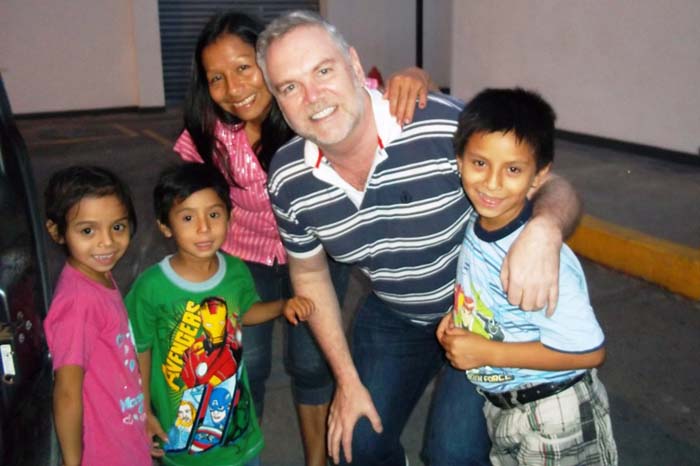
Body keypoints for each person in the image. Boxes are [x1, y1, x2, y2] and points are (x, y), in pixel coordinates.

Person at [257, 10, 582, 466]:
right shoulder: (288, 177)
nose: (313, 97)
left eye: (323, 71)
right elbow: (309, 273)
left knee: (453, 454)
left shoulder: (441, 126)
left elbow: (552, 185)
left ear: (354, 64)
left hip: (483, 316)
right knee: (356, 443)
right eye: (290, 87)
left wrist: (545, 229)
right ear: (278, 100)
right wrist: (346, 382)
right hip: (396, 312)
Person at [172, 10, 433, 466]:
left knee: (312, 361)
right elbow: (188, 199)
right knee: (246, 361)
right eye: (216, 78)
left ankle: (316, 459)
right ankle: (239, 455)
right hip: (246, 259)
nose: (233, 88)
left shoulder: (308, 107)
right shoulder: (209, 134)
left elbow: (374, 91)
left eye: (243, 68)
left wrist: (416, 75)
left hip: (318, 253)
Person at [437, 88, 617, 465]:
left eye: (513, 170)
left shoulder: (539, 259)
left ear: (538, 177)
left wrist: (488, 352)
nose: (492, 183)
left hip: (556, 416)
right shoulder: (478, 225)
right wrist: (460, 319)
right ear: (459, 161)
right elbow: (488, 296)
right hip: (505, 408)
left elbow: (590, 351)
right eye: (480, 163)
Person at [125, 163, 316, 466]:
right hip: (183, 446)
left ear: (230, 216)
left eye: (213, 214)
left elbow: (244, 312)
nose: (204, 228)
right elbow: (140, 349)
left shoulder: (235, 271)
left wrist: (282, 306)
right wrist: (144, 412)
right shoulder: (151, 287)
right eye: (188, 218)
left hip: (240, 439)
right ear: (165, 226)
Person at [42, 166, 155, 466]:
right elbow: (67, 392)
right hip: (105, 452)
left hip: (125, 436)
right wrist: (72, 462)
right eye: (87, 231)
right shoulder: (78, 302)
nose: (107, 242)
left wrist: (143, 418)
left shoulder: (98, 276)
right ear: (56, 231)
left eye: (117, 227)